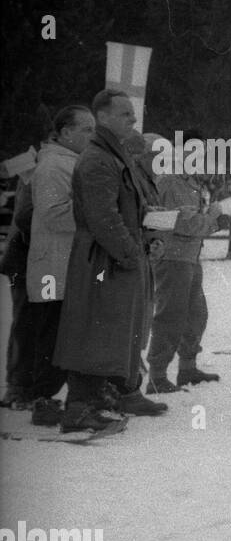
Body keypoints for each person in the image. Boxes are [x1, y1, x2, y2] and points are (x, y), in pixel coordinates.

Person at [53, 90, 168, 432]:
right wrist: (131, 253)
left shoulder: (115, 156)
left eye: (133, 114)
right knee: (95, 330)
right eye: (125, 114)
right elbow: (103, 217)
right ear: (103, 117)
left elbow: (133, 209)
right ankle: (79, 408)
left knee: (119, 329)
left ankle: (116, 392)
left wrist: (150, 237)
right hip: (103, 261)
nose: (133, 120)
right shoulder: (98, 159)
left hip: (118, 258)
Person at [145, 133, 231, 393]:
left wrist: (214, 219)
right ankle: (157, 375)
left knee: (196, 314)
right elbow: (183, 222)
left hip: (189, 257)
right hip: (173, 257)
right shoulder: (172, 182)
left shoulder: (190, 181)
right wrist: (214, 218)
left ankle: (187, 367)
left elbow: (194, 221)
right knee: (170, 316)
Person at [23, 105, 96, 425]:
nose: (92, 136)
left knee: (63, 333)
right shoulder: (53, 165)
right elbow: (54, 213)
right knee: (53, 333)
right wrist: (93, 214)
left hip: (68, 264)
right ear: (65, 133)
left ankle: (53, 395)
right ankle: (43, 399)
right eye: (87, 130)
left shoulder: (70, 161)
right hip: (54, 266)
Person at [0, 153, 38, 410]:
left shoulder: (38, 165)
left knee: (30, 322)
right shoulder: (37, 167)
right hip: (25, 257)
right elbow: (25, 215)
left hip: (31, 257)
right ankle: (17, 388)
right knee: (25, 322)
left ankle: (23, 386)